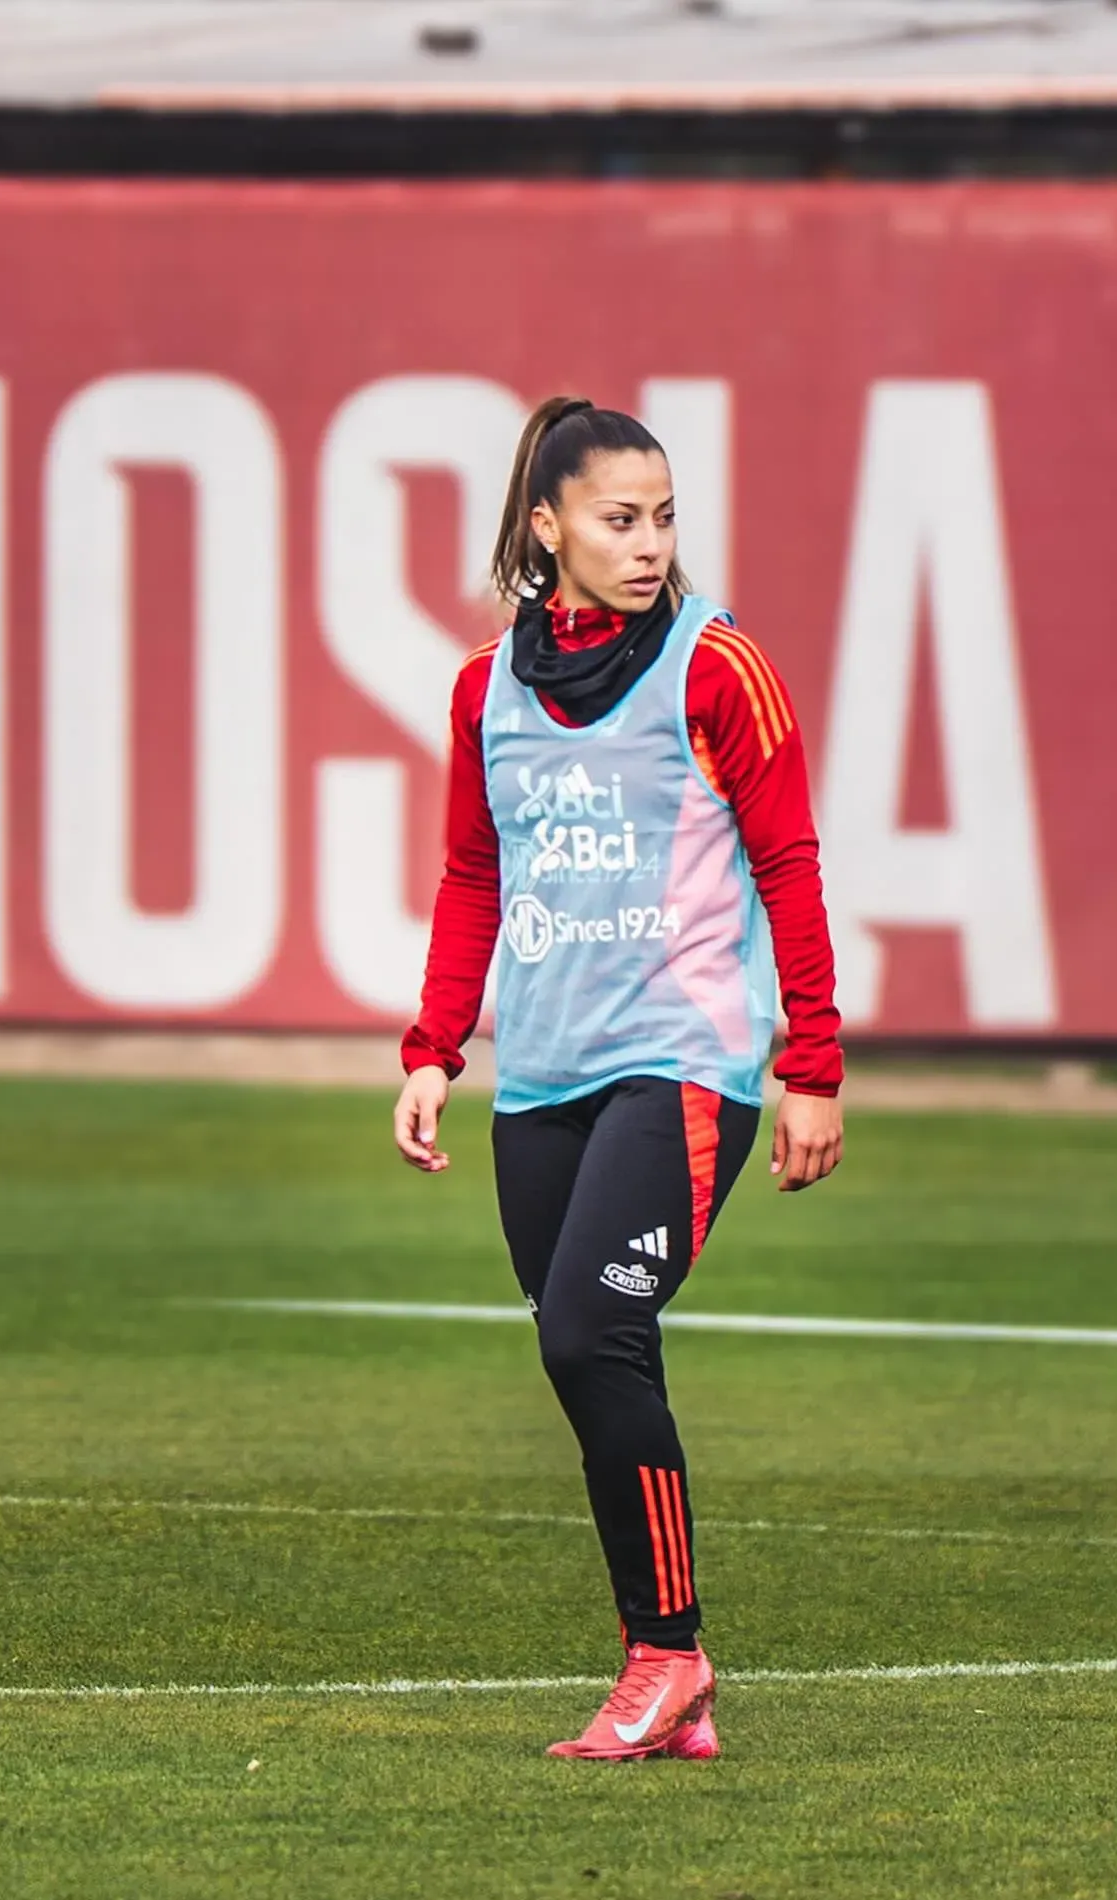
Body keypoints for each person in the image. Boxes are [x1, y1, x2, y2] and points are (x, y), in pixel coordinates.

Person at [393, 396, 844, 1761]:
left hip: (685, 1066)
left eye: (662, 517)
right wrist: (433, 1049)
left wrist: (811, 1059)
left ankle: (667, 1655)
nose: (648, 543)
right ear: (548, 526)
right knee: (576, 1348)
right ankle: (669, 1673)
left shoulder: (717, 669)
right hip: (541, 1078)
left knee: (594, 1327)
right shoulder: (486, 691)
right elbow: (475, 876)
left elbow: (790, 863)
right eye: (617, 517)